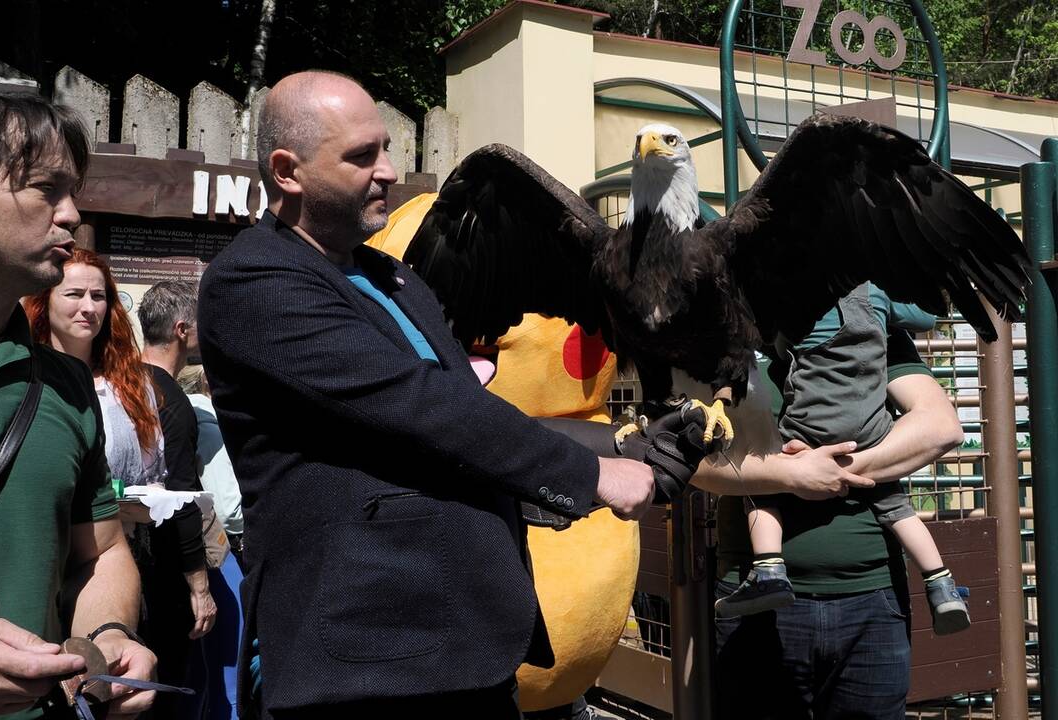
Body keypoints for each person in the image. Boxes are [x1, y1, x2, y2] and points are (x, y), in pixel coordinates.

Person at [196, 71, 683, 718]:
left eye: (387, 148)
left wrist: (628, 446)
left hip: (468, 658)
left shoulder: (392, 280)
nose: (391, 171)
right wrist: (592, 473)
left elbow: (474, 415)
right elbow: (423, 410)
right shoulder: (254, 283)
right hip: (367, 666)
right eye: (362, 156)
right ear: (287, 171)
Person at [0, 93, 156, 718]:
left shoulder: (65, 384)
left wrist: (108, 637)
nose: (72, 214)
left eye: (72, 190)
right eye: (43, 188)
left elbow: (102, 551)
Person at [695, 326, 964, 719]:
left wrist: (830, 470)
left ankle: (940, 580)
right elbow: (693, 463)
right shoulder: (724, 333)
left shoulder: (868, 325)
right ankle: (940, 580)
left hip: (872, 599)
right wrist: (792, 475)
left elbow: (941, 428)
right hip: (753, 603)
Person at [716, 284, 971, 635]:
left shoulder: (790, 290)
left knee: (762, 489)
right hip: (868, 427)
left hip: (807, 424)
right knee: (898, 507)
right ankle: (940, 582)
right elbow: (926, 316)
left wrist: (800, 473)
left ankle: (769, 568)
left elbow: (945, 429)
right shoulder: (876, 290)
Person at [24, 249, 166, 491]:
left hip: (121, 526)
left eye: (98, 296)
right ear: (44, 301)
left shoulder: (131, 384)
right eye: (74, 294)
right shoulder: (23, 378)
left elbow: (153, 477)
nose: (89, 307)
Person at [138, 281, 217, 717]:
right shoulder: (172, 399)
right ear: (183, 330)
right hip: (164, 573)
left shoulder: (121, 382)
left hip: (122, 564)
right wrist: (199, 587)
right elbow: (182, 496)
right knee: (167, 690)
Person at [179, 364, 244, 720]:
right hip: (221, 552)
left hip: (209, 551)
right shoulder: (207, 421)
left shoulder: (197, 415)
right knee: (226, 672)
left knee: (205, 674)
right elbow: (228, 507)